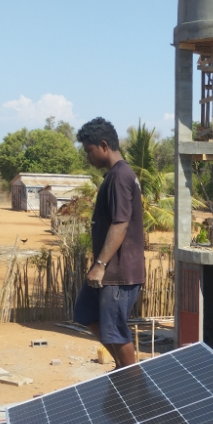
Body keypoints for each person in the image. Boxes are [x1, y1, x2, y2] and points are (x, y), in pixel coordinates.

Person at [72, 117, 146, 368]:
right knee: (85, 312)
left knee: (115, 328)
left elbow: (121, 223)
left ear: (104, 145)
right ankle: (121, 367)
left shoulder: (120, 176)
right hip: (110, 270)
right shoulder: (114, 175)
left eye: (89, 151)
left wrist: (101, 263)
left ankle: (131, 381)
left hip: (118, 271)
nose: (88, 157)